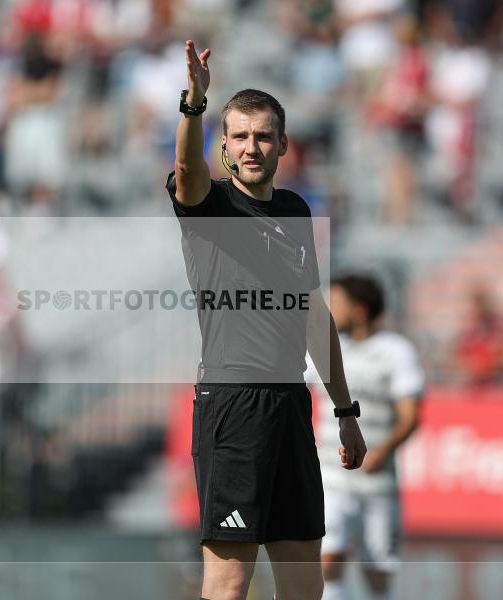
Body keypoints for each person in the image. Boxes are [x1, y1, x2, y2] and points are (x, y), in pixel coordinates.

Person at [166, 40, 367, 600]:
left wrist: (345, 410)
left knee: (306, 586)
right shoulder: (211, 208)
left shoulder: (297, 211)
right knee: (230, 584)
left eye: (262, 136)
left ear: (282, 144)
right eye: (240, 137)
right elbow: (185, 168)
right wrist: (194, 102)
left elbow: (312, 315)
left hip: (290, 406)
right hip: (232, 405)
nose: (251, 147)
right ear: (225, 147)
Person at [304, 274, 424, 600]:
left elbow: (411, 416)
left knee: (377, 574)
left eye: (337, 303)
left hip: (377, 481)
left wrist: (382, 452)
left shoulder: (396, 351)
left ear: (358, 310)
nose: (330, 310)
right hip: (330, 475)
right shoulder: (325, 346)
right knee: (328, 561)